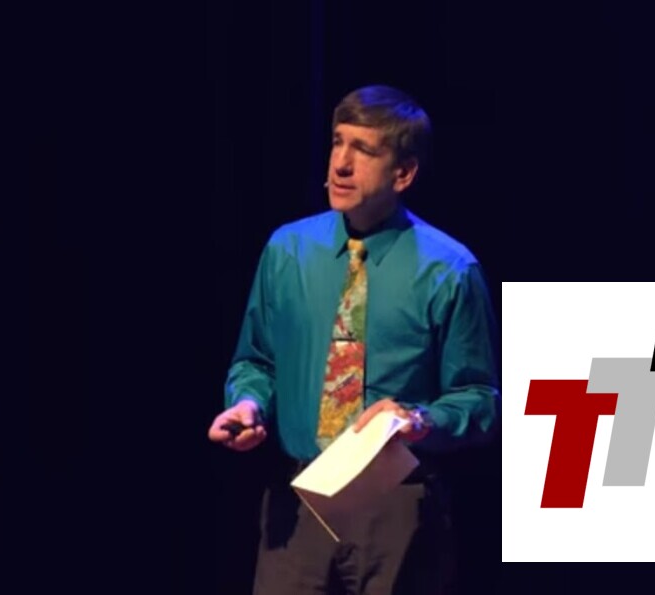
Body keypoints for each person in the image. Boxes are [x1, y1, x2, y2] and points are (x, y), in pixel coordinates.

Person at [207, 84, 500, 595]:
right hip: (297, 503)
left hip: (395, 508)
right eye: (337, 142)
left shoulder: (448, 268)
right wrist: (248, 404)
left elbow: (478, 399)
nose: (341, 164)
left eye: (363, 150)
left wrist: (419, 420)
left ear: (403, 174)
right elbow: (256, 361)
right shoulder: (288, 250)